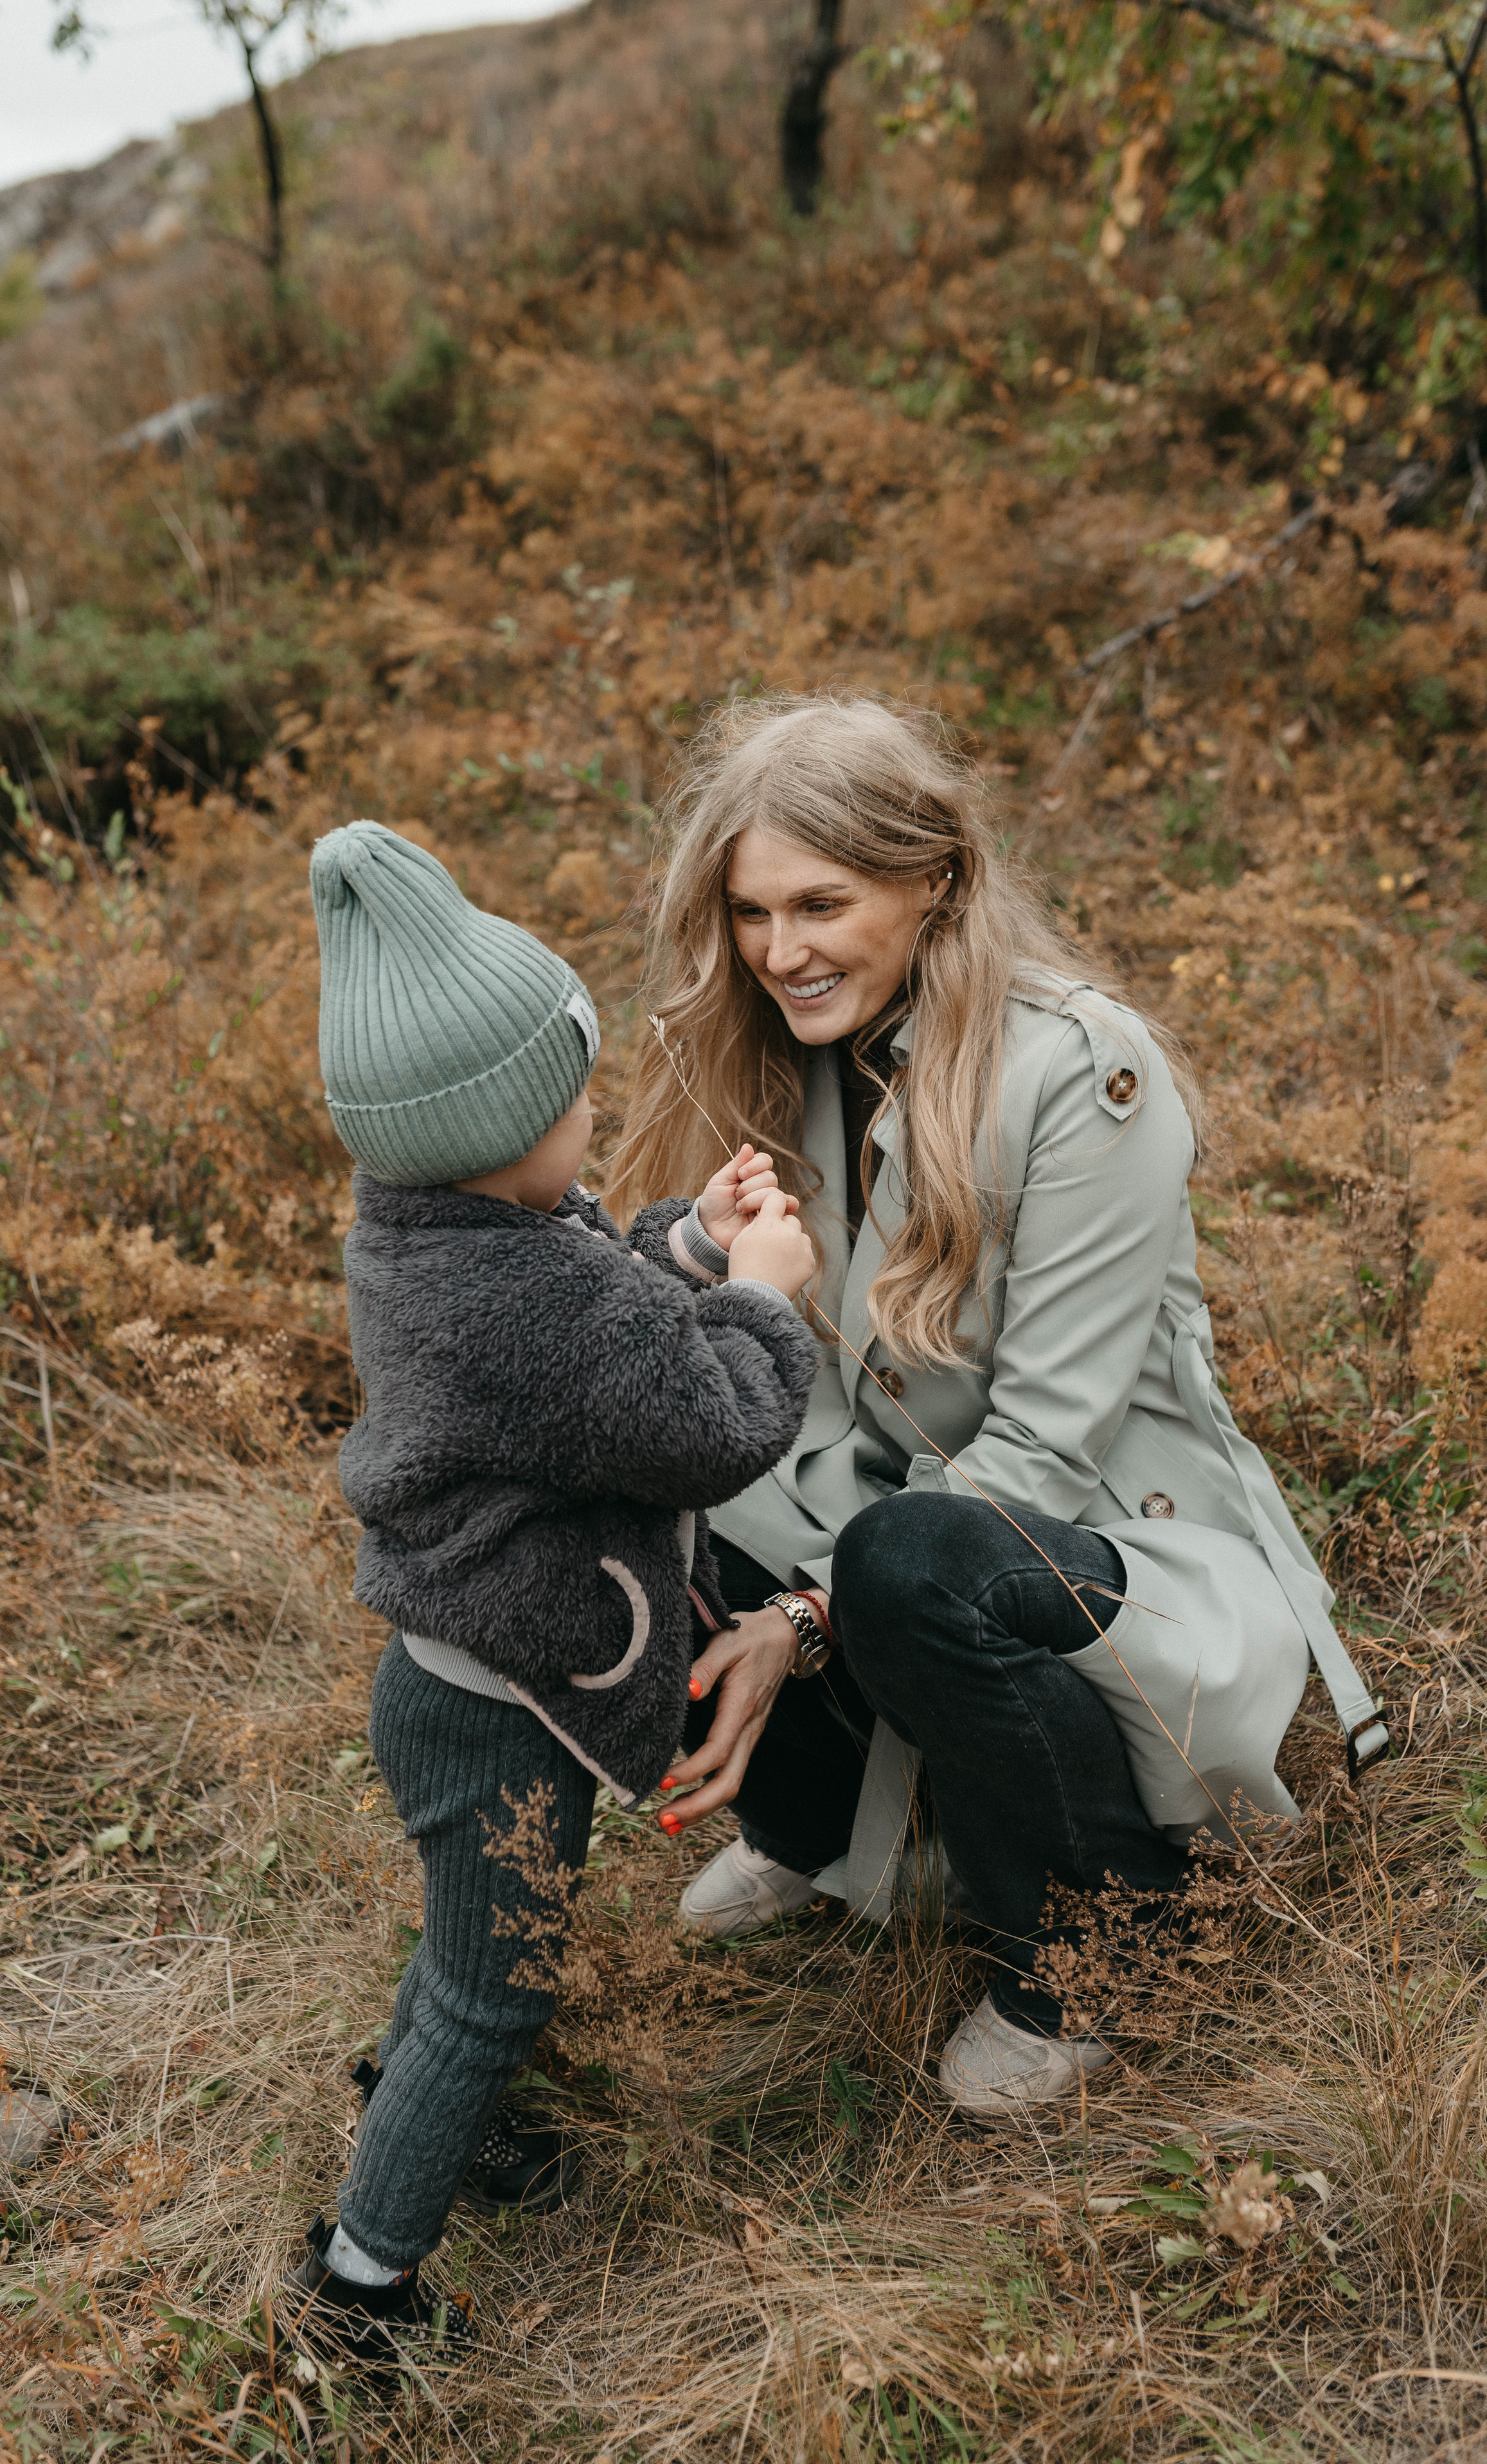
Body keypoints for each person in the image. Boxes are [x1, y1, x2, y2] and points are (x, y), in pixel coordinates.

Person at [609, 695, 1387, 2118]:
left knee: (909, 1560)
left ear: (935, 879)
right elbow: (778, 1383)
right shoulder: (779, 1056)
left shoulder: (1081, 1073)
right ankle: (846, 1834)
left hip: (1090, 1543)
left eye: (821, 904)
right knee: (628, 1464)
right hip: (889, 1511)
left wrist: (802, 1618)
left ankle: (1109, 1937)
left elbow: (1040, 1450)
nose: (778, 951)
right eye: (750, 912)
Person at [285, 819, 817, 2370]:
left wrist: (685, 1241)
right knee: (490, 1990)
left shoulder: (436, 1228)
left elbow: (599, 1309)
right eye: (575, 1096)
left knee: (468, 1951)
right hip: (500, 1712)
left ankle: (429, 2108)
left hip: (459, 1680)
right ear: (504, 1121)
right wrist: (760, 1298)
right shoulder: (524, 1294)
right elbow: (701, 1422)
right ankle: (360, 2291)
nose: (593, 1113)